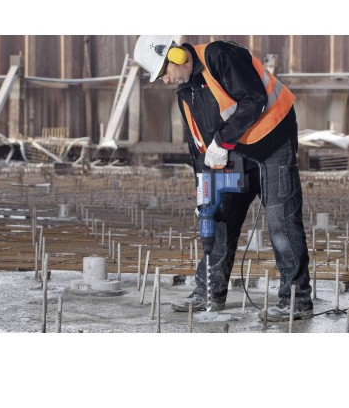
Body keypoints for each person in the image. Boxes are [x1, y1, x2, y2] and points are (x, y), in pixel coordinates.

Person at [133, 35, 313, 322]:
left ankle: (297, 301)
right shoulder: (186, 94)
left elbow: (254, 99)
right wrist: (203, 195)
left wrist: (222, 141)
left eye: (163, 72)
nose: (164, 80)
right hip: (235, 152)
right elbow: (198, 150)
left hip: (273, 143)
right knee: (218, 217)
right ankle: (209, 293)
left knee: (282, 221)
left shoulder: (220, 56)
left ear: (177, 56)